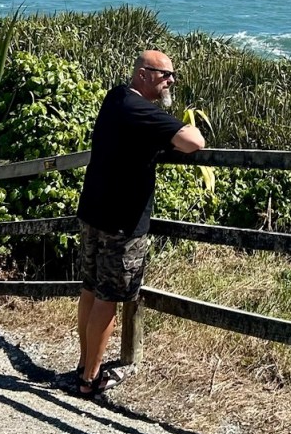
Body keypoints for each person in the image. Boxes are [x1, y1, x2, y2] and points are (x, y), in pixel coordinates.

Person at [72, 49, 205, 398]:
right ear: (143, 74)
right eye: (164, 75)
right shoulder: (141, 110)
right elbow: (194, 142)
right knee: (108, 298)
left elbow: (135, 142)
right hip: (122, 222)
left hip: (93, 213)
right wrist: (183, 125)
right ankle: (90, 379)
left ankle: (84, 366)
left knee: (89, 290)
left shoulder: (116, 98)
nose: (170, 81)